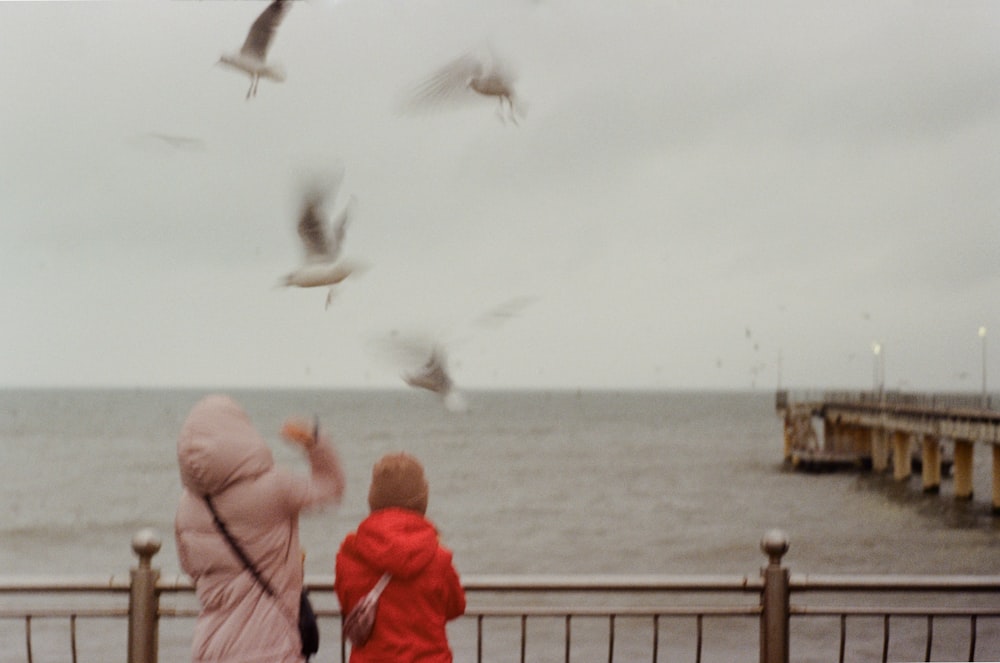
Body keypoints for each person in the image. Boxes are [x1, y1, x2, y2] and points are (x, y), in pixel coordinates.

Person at [175, 394, 346, 663]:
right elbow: (331, 486)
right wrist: (315, 440)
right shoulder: (275, 487)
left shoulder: (187, 506)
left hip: (209, 648)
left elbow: (191, 568)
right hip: (272, 647)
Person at [335, 452, 466, 662]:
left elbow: (348, 604)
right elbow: (456, 606)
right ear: (421, 499)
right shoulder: (437, 556)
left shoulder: (351, 553)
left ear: (374, 497)